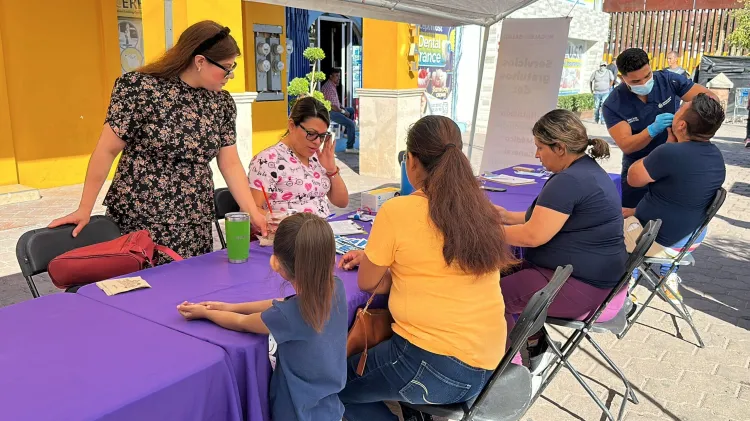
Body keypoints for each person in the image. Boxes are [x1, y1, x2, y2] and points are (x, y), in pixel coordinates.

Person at [337, 115, 515, 421]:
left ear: (411, 161)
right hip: (490, 363)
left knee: (331, 385)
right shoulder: (479, 208)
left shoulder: (398, 210)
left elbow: (367, 282)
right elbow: (432, 270)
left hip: (433, 365)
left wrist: (375, 262)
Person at [49, 21, 266, 264]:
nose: (231, 75)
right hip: (141, 219)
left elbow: (230, 163)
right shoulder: (139, 88)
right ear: (200, 61)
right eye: (226, 68)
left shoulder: (221, 103)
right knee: (144, 292)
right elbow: (106, 150)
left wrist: (252, 211)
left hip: (195, 220)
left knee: (192, 290)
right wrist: (84, 208)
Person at [177, 212, 348, 421]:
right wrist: (229, 307)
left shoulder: (288, 315)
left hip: (295, 412)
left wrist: (206, 313)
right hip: (330, 409)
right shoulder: (335, 287)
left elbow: (242, 324)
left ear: (276, 264)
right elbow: (281, 303)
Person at [495, 110, 627, 370]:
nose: (536, 155)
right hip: (598, 286)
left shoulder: (568, 181)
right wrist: (508, 217)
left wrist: (481, 232)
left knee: (488, 299)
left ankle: (512, 372)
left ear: (560, 148)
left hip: (584, 290)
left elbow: (533, 236)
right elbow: (552, 218)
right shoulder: (585, 171)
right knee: (503, 274)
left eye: (540, 148)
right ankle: (535, 343)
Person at [627, 94, 726, 303]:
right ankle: (667, 274)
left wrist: (667, 147)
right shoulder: (716, 157)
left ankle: (627, 283)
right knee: (628, 213)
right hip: (690, 241)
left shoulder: (670, 153)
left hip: (656, 240)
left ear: (681, 125)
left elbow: (633, 178)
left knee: (607, 225)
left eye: (680, 109)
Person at [602, 47, 715, 214]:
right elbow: (626, 145)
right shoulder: (613, 104)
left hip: (674, 158)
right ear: (622, 78)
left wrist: (684, 114)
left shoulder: (668, 80)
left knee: (671, 211)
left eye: (647, 76)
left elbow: (710, 98)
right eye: (635, 81)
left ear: (650, 67)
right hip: (639, 164)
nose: (643, 83)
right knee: (633, 216)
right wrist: (651, 130)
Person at [248, 97, 349, 217]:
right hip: (290, 233)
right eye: (311, 134)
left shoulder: (317, 157)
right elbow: (251, 211)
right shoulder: (268, 161)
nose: (317, 142)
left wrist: (332, 171)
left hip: (323, 231)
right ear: (291, 125)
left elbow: (342, 202)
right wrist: (280, 222)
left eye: (322, 136)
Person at [321, 68, 358, 154]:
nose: (339, 78)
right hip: (331, 112)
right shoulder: (328, 87)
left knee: (351, 110)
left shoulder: (332, 85)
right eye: (336, 76)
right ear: (331, 76)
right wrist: (343, 112)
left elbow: (336, 102)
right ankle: (350, 147)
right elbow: (332, 106)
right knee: (351, 124)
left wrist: (343, 108)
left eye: (339, 76)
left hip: (336, 109)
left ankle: (346, 133)